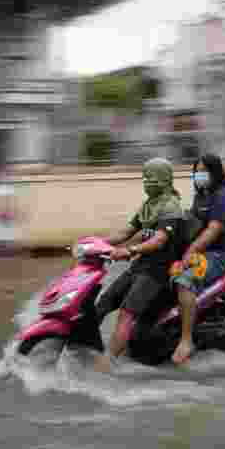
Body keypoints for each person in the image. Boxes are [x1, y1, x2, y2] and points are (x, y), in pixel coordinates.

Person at [94, 158, 186, 372]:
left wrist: (130, 250)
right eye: (144, 177)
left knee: (126, 313)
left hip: (158, 271)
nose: (146, 181)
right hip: (140, 266)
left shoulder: (171, 206)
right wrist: (96, 243)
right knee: (103, 304)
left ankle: (107, 362)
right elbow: (125, 233)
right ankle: (81, 345)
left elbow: (159, 240)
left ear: (163, 179)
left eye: (150, 177)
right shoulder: (148, 206)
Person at [170, 153, 225, 365]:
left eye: (203, 172)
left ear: (215, 173)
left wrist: (190, 252)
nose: (198, 176)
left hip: (217, 255)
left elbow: (212, 230)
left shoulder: (221, 197)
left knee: (184, 281)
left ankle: (186, 340)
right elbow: (191, 222)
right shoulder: (201, 196)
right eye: (196, 172)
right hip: (199, 252)